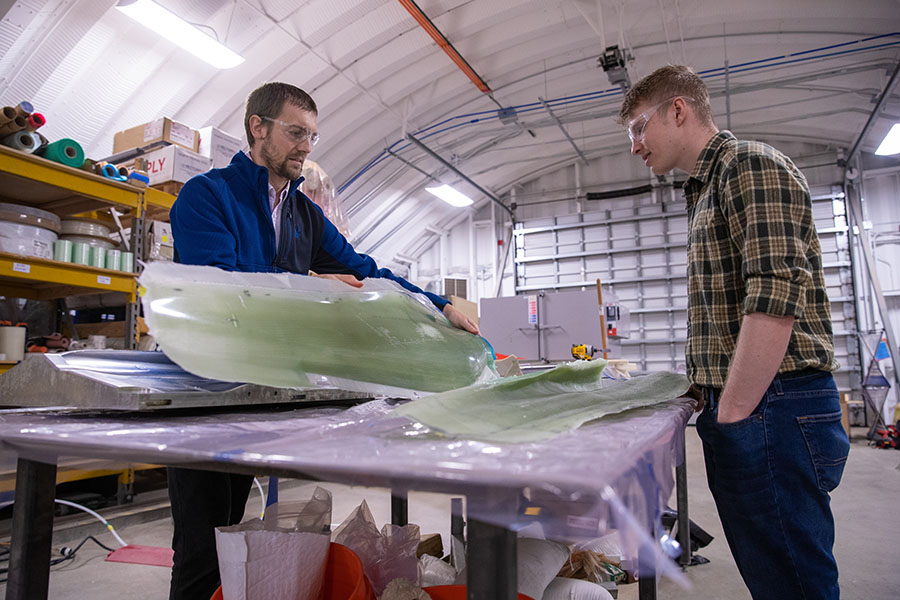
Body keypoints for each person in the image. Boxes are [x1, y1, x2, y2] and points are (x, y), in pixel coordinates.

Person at [167, 82, 479, 600]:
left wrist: (438, 304)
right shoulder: (207, 196)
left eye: (311, 136)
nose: (306, 147)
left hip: (251, 395)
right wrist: (314, 286)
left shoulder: (301, 214)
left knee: (228, 540)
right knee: (199, 552)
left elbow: (366, 271)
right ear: (257, 128)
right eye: (295, 133)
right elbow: (224, 290)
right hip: (201, 396)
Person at [618, 65, 849, 599]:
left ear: (678, 110)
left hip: (775, 406)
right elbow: (730, 309)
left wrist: (735, 411)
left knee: (793, 577)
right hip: (753, 407)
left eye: (638, 127)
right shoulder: (705, 188)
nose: (635, 145)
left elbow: (773, 294)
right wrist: (703, 389)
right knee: (772, 572)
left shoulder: (749, 165)